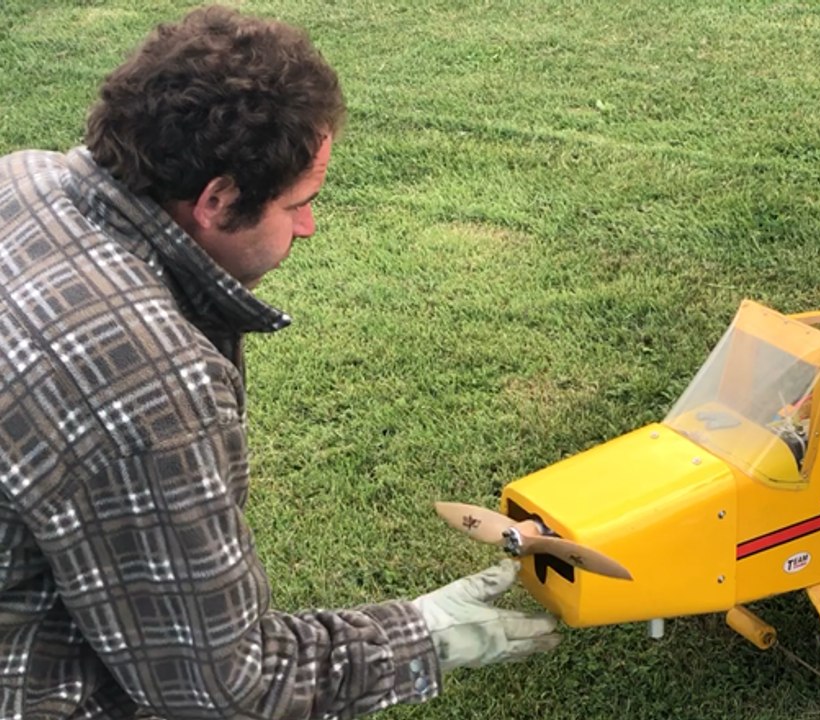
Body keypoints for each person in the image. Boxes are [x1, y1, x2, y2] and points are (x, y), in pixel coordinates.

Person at [0, 6, 558, 719]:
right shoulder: (147, 387)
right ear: (218, 199)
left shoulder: (26, 181)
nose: (309, 225)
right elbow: (226, 689)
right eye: (299, 203)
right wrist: (423, 634)